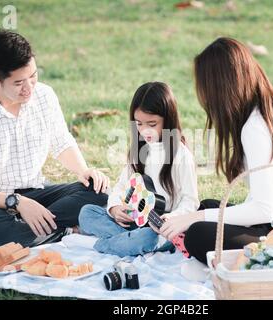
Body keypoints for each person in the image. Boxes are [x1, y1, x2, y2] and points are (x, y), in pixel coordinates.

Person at [157, 37, 273, 264]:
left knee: (198, 233)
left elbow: (263, 209)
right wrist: (194, 215)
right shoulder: (267, 113)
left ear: (219, 88)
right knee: (208, 206)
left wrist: (194, 218)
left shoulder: (256, 128)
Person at [0, 30, 109, 248]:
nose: (29, 88)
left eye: (33, 76)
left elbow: (61, 141)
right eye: (18, 83)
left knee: (97, 193)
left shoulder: (44, 96)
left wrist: (83, 170)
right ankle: (65, 231)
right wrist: (17, 203)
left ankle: (29, 229)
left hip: (39, 191)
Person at [78, 82, 199, 257]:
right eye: (139, 124)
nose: (145, 130)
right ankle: (125, 240)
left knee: (147, 238)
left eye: (152, 123)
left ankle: (106, 244)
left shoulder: (181, 155)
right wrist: (115, 208)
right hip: (133, 221)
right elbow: (120, 187)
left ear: (168, 119)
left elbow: (191, 202)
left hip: (160, 229)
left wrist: (171, 219)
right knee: (86, 213)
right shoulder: (138, 151)